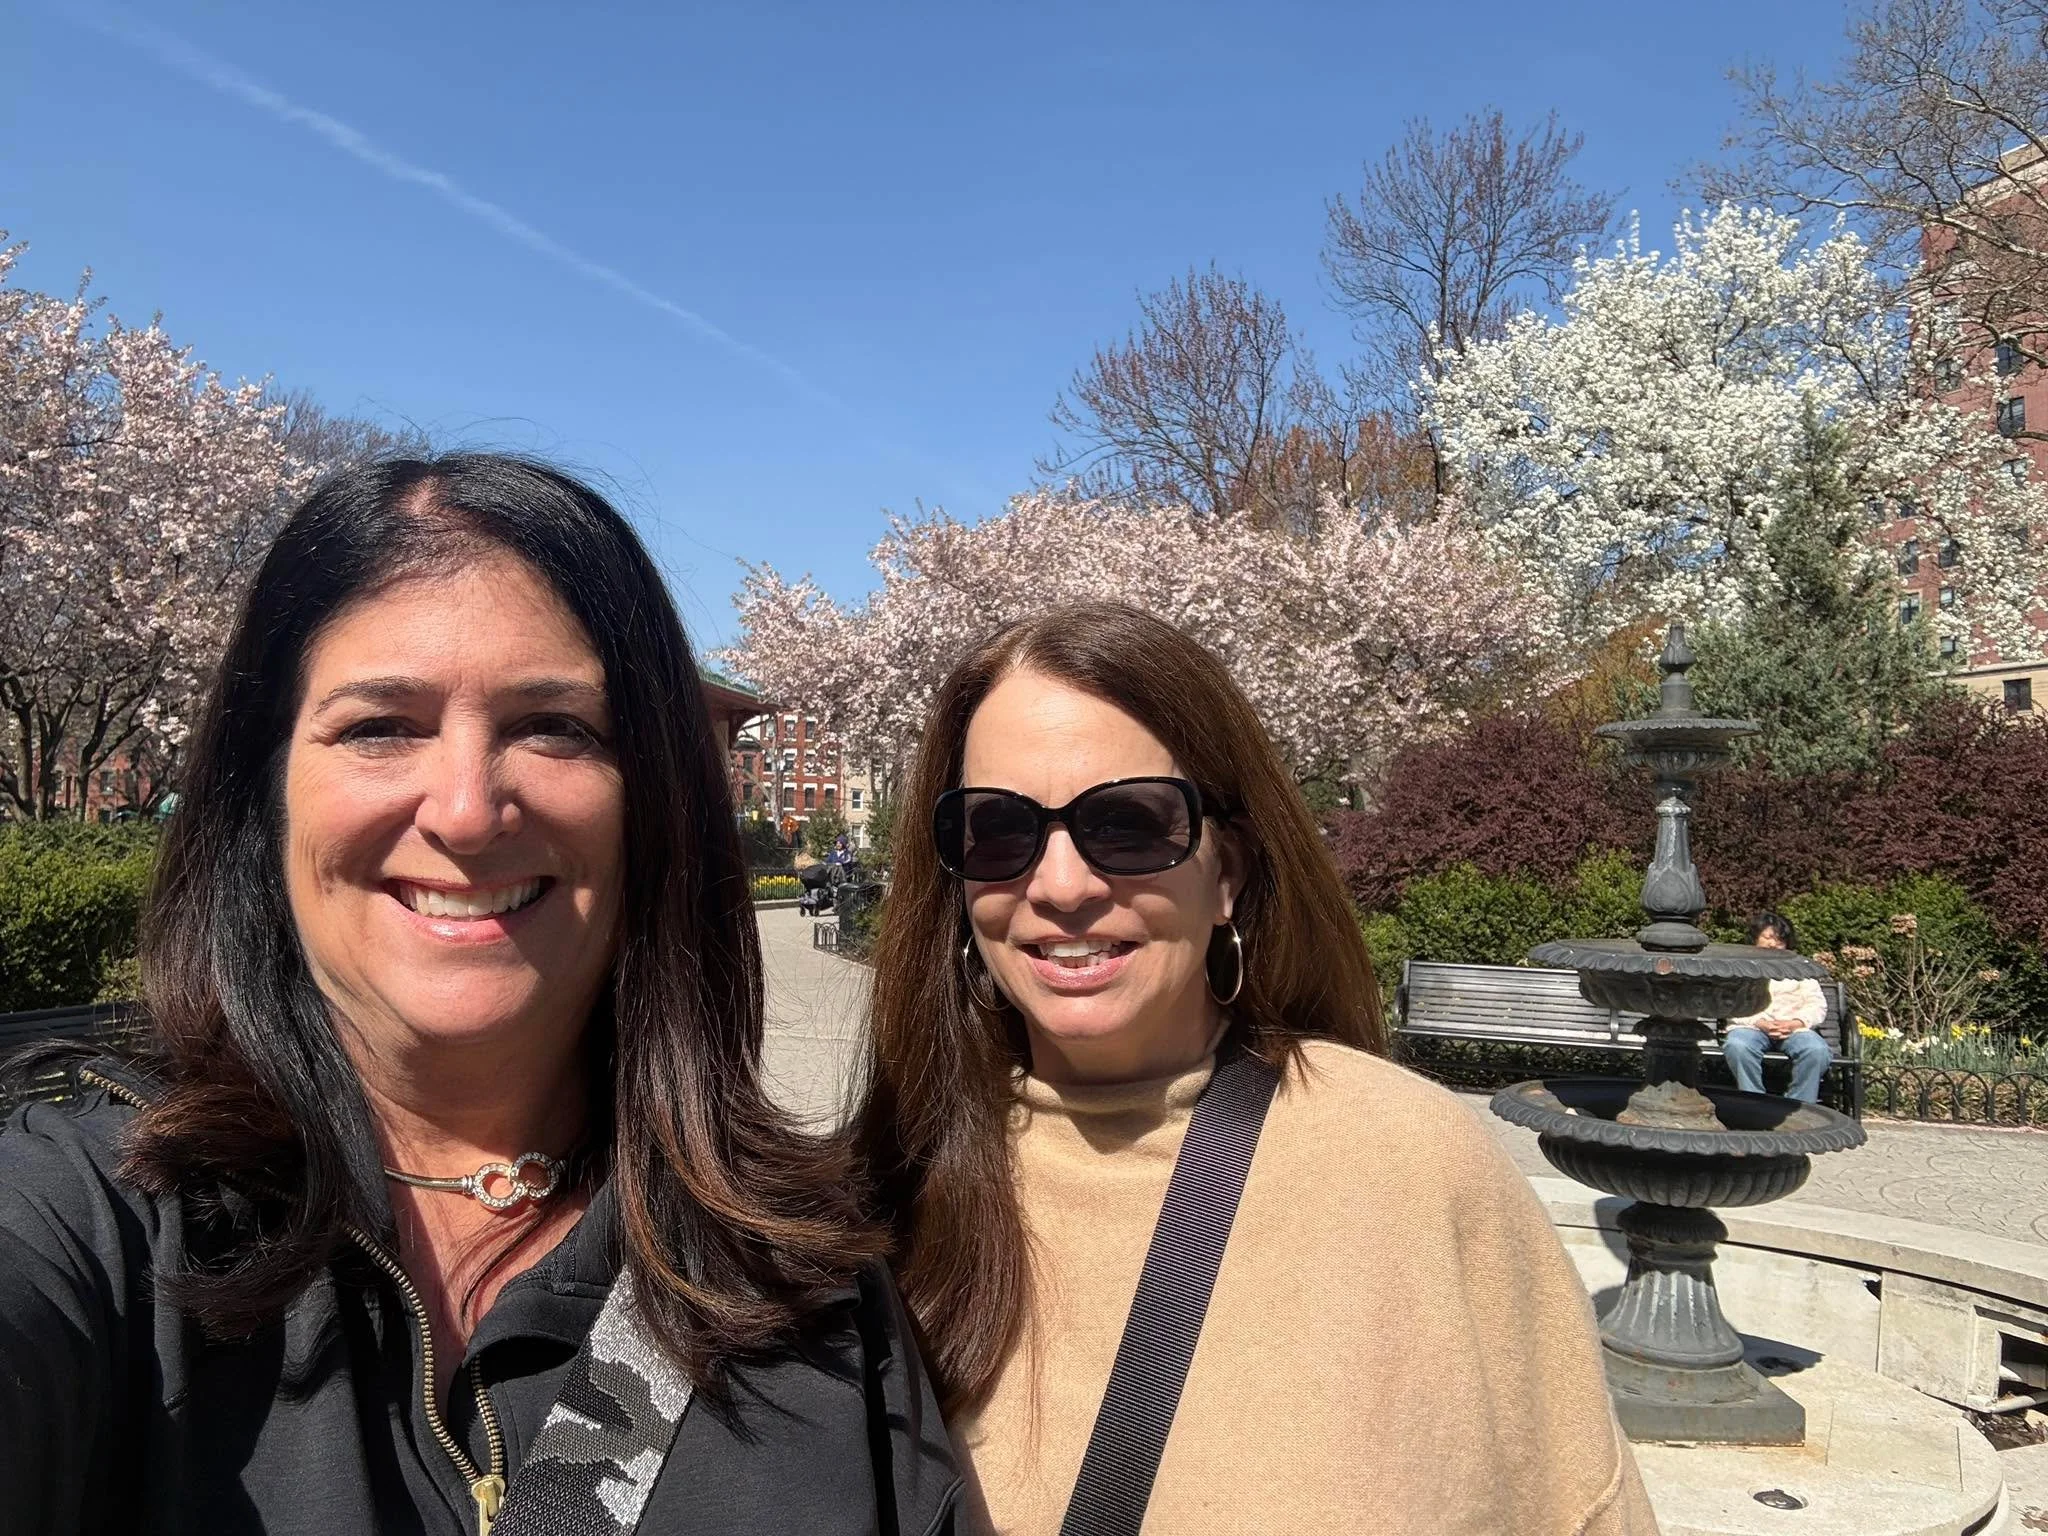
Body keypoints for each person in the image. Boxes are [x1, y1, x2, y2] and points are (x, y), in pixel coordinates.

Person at [0, 455, 958, 1535]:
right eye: (379, 726)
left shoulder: (814, 1291)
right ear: (261, 797)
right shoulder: (87, 1217)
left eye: (554, 726)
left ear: (653, 805)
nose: (466, 810)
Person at [854, 603, 1658, 1535]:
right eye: (996, 831)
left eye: (1128, 823)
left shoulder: (1409, 1164)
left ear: (1226, 870)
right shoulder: (881, 1194)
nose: (1061, 885)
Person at [1723, 911, 1834, 1103]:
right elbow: (1732, 1005)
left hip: (1794, 1029)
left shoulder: (1801, 970)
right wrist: (1761, 1022)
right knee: (1737, 1045)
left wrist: (1795, 1022)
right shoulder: (1741, 969)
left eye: (1779, 939)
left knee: (1816, 1050)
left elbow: (1817, 1005)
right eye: (1767, 937)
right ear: (1755, 939)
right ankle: (1755, 1104)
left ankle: (1799, 1107)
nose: (1773, 944)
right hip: (1751, 1027)